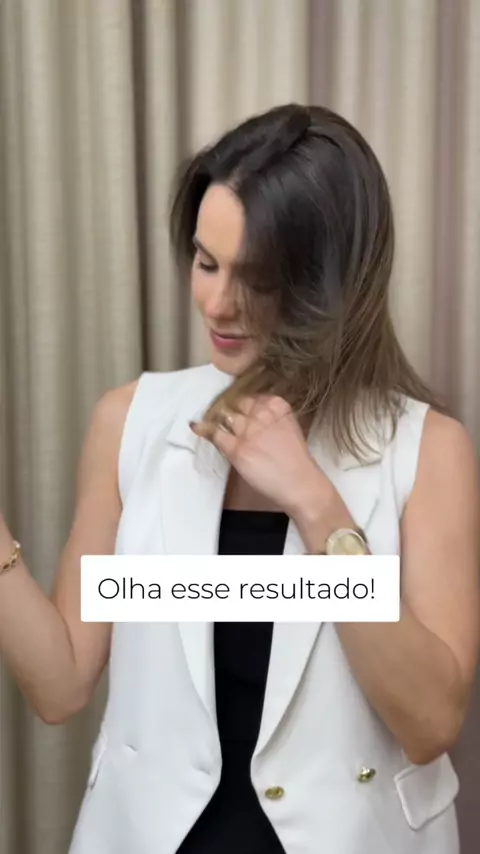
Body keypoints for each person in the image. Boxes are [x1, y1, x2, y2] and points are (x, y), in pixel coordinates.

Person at [0, 103, 478, 854]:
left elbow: (429, 723)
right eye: (206, 263)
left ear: (331, 284)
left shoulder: (427, 450)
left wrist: (315, 503)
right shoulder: (131, 422)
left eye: (256, 279)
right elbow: (60, 685)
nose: (218, 305)